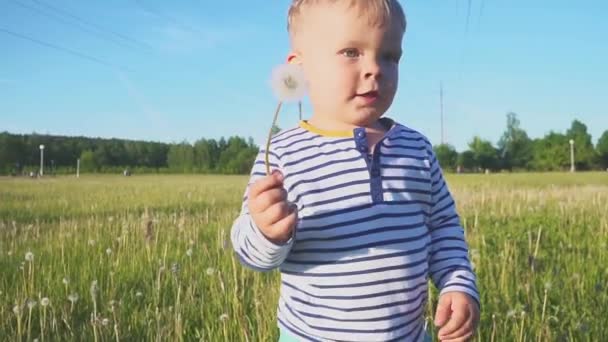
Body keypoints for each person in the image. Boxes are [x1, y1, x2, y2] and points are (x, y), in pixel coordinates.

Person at [230, 1, 480, 341]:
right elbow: (250, 254)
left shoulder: (416, 148)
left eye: (390, 56)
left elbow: (443, 227)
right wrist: (266, 232)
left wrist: (457, 281)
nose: (375, 68)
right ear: (299, 68)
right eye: (351, 52)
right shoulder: (284, 154)